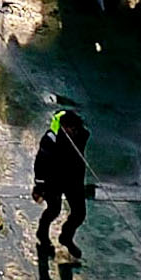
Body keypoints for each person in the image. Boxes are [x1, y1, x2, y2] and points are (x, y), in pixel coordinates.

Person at [30, 103, 96, 260]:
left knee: (79, 213)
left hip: (74, 180)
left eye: (74, 129)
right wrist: (39, 186)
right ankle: (42, 233)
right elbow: (40, 164)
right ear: (63, 127)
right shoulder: (50, 140)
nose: (72, 132)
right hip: (54, 180)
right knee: (54, 210)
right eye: (69, 129)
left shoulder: (81, 136)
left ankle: (66, 237)